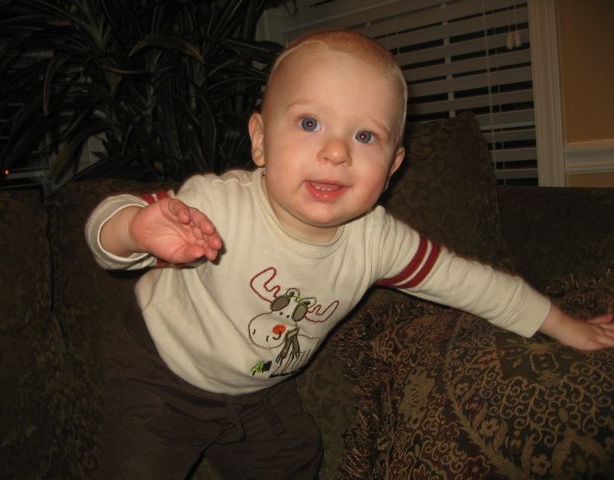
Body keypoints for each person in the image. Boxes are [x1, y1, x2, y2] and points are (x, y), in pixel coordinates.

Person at [85, 30, 614, 479]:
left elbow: (477, 285)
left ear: (392, 168)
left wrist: (566, 326)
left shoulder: (378, 242)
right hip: (158, 371)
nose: (336, 151)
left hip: (260, 390)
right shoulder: (217, 205)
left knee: (299, 457)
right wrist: (133, 228)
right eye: (309, 123)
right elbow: (104, 231)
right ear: (260, 139)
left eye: (365, 135)